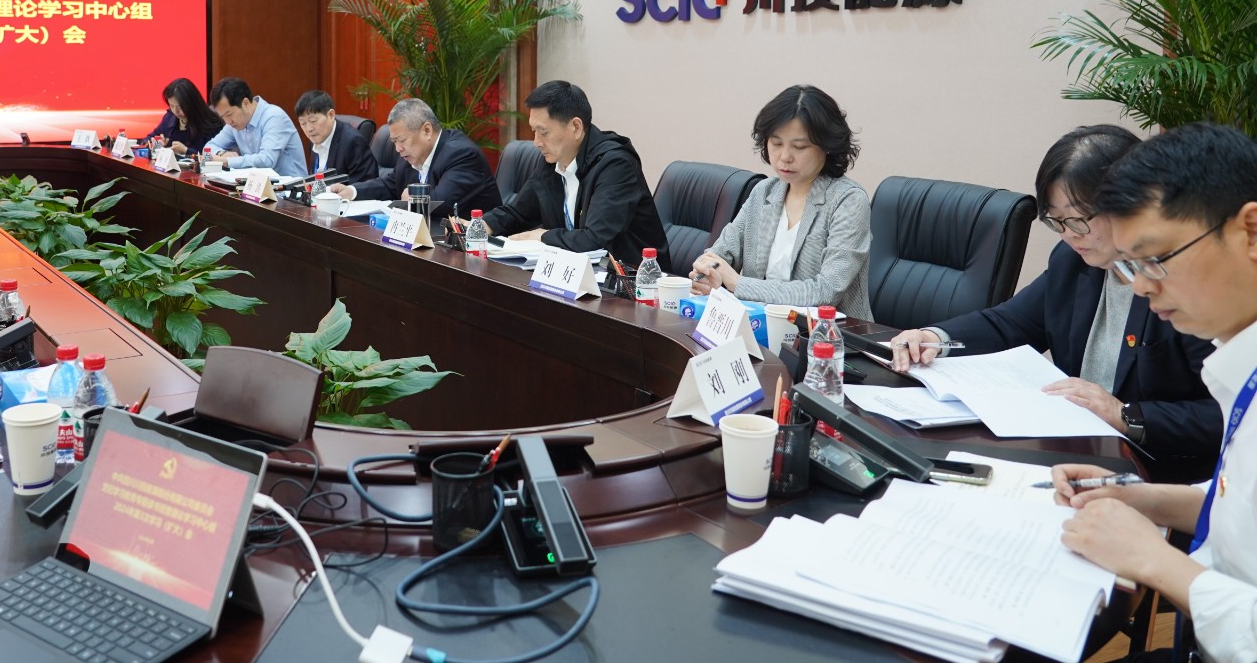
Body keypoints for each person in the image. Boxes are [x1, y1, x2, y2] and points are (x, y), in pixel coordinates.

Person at [890, 125, 1218, 481]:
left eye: (1080, 218)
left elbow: (1224, 415)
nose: (1070, 235)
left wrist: (1125, 414)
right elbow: (1011, 323)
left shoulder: (1184, 285)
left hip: (1157, 472)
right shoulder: (1073, 260)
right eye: (1057, 221)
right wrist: (935, 338)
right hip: (1072, 448)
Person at [1053, 122, 1257, 663]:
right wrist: (1141, 498)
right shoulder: (1239, 360)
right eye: (1131, 265)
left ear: (1250, 232)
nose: (1141, 285)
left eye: (1156, 258)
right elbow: (1242, 509)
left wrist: (1153, 559)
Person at [690, 84, 872, 320]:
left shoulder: (848, 201)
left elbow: (826, 292)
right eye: (776, 144)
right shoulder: (764, 191)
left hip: (828, 335)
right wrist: (707, 271)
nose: (785, 157)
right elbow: (721, 254)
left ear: (827, 146)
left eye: (799, 146)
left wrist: (737, 283)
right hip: (760, 325)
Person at [475, 80, 670, 270]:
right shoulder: (553, 161)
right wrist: (480, 226)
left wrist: (543, 236)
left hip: (633, 281)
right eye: (534, 131)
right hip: (577, 273)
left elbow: (595, 240)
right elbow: (519, 212)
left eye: (543, 132)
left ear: (576, 127)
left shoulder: (616, 165)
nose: (536, 142)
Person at [337, 98, 501, 221]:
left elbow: (441, 204)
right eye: (394, 142)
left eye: (401, 140)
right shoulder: (412, 153)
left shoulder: (462, 154)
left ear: (427, 130)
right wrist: (352, 191)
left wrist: (414, 198)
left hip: (475, 248)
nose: (398, 148)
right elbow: (391, 184)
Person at [204, 77, 308, 179]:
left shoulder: (274, 117)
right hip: (257, 186)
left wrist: (227, 161)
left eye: (229, 114)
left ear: (245, 103)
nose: (227, 121)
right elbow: (208, 147)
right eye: (223, 117)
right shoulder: (234, 124)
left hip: (290, 187)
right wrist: (222, 153)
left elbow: (266, 160)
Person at [293, 90, 378, 183]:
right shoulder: (314, 139)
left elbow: (365, 184)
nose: (309, 128)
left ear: (331, 115)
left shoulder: (353, 142)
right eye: (303, 123)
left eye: (313, 121)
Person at [146, 78, 223, 156]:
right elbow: (147, 140)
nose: (175, 111)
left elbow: (214, 156)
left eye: (180, 107)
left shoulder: (210, 124)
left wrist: (186, 151)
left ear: (191, 102)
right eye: (171, 106)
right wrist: (156, 142)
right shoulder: (169, 118)